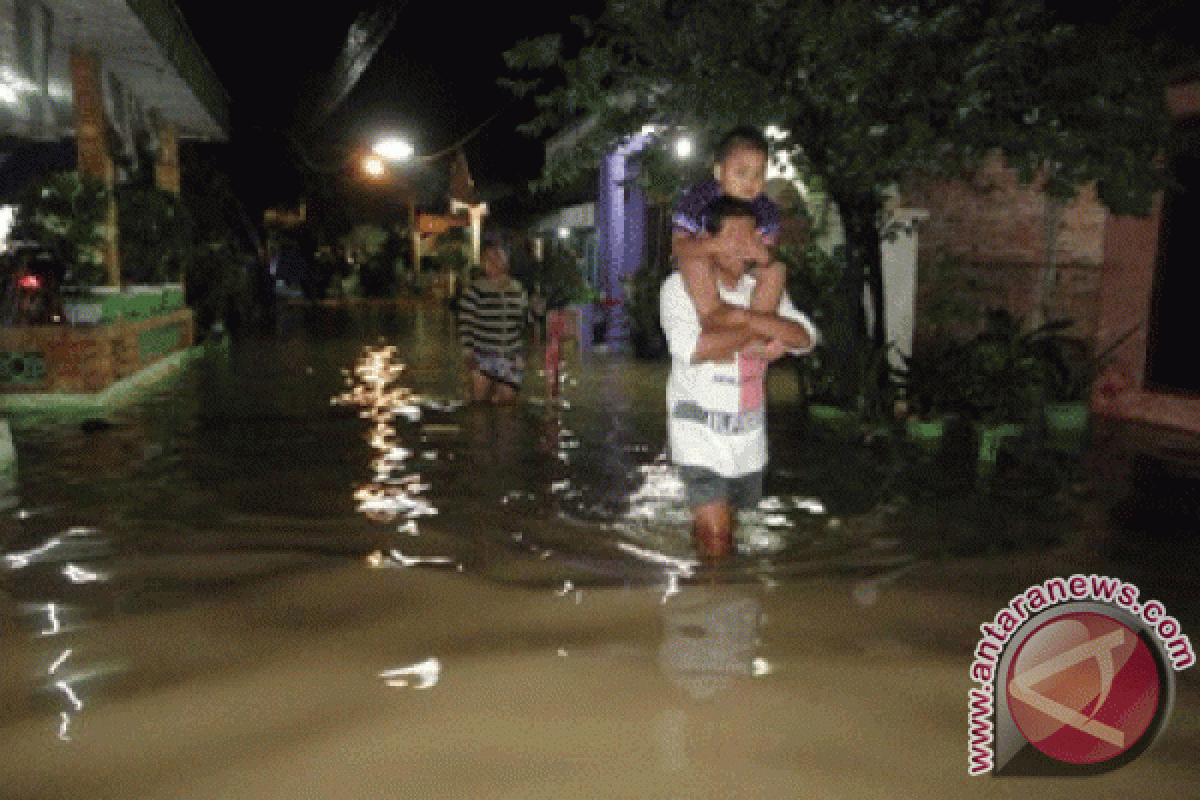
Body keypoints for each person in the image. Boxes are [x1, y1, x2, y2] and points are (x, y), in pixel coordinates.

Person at [660, 196, 818, 561]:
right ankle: (707, 601)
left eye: (751, 237)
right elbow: (696, 348)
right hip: (697, 437)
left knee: (726, 533)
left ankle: (707, 565)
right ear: (710, 241)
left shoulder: (760, 289)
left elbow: (805, 337)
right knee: (717, 539)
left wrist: (749, 321)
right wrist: (760, 333)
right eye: (734, 238)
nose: (744, 248)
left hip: (747, 442)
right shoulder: (678, 288)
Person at [672, 126, 785, 336]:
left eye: (758, 174)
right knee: (691, 262)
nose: (750, 181)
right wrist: (715, 246)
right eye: (741, 173)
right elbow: (679, 246)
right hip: (708, 263)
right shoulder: (696, 201)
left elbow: (770, 250)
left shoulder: (766, 210)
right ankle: (712, 316)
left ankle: (756, 332)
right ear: (719, 172)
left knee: (776, 270)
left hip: (744, 266)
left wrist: (763, 254)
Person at [457, 244, 530, 405]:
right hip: (483, 354)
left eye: (498, 257)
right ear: (483, 264)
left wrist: (524, 353)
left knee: (507, 404)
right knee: (480, 405)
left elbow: (525, 323)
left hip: (511, 355)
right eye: (489, 259)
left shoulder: (518, 289)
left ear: (506, 262)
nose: (494, 262)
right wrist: (468, 353)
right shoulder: (474, 291)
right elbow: (465, 325)